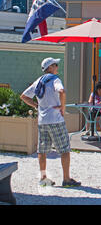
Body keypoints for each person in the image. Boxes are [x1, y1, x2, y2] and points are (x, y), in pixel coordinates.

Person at [20, 57, 81, 187]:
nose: (57, 67)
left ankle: (43, 178)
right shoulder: (55, 80)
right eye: (55, 65)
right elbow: (62, 91)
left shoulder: (38, 81)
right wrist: (63, 107)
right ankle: (66, 179)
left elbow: (24, 96)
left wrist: (36, 106)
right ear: (50, 67)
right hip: (56, 120)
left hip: (42, 121)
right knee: (64, 150)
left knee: (42, 151)